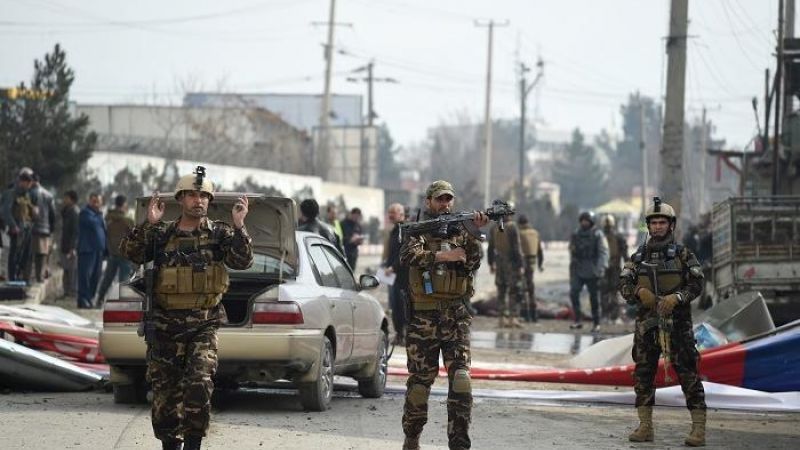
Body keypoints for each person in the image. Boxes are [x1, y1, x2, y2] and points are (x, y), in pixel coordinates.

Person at [119, 167, 253, 450]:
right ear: (180, 199)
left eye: (203, 196)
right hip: (164, 327)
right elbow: (131, 253)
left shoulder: (220, 233)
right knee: (165, 394)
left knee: (199, 384)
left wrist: (240, 226)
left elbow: (242, 261)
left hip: (203, 326)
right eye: (192, 195)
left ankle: (193, 445)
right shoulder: (161, 233)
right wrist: (148, 223)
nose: (198, 200)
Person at [400, 180, 488, 450]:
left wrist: (474, 233)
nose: (445, 204)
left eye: (448, 199)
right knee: (420, 384)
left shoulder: (461, 230)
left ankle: (459, 444)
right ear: (428, 201)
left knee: (461, 380)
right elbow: (408, 256)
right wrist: (443, 256)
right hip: (423, 320)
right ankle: (412, 437)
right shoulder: (418, 230)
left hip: (456, 317)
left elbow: (473, 262)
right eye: (439, 199)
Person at [618, 197, 706, 447]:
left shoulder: (684, 254)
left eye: (662, 222)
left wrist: (677, 297)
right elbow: (624, 284)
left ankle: (698, 428)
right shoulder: (637, 257)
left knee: (688, 373)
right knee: (643, 374)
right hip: (647, 325)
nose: (657, 227)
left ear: (671, 225)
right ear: (648, 226)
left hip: (678, 324)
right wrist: (638, 292)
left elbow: (697, 284)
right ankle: (645, 426)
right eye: (654, 223)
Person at [568, 210, 609, 332]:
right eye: (582, 221)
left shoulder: (597, 235)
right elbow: (572, 250)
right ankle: (577, 320)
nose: (584, 223)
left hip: (593, 269)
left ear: (591, 222)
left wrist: (601, 268)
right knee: (574, 293)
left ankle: (596, 323)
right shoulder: (576, 234)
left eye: (586, 221)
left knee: (594, 298)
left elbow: (603, 252)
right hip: (579, 268)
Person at [95, 194, 134, 308]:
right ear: (124, 205)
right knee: (124, 281)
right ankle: (123, 305)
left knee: (107, 279)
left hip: (112, 253)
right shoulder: (128, 221)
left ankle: (99, 300)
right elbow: (134, 236)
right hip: (125, 254)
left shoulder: (108, 218)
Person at [487, 214, 524, 328]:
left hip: (499, 262)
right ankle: (513, 318)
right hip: (511, 263)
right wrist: (520, 265)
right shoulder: (512, 227)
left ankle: (501, 319)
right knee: (514, 290)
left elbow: (490, 248)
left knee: (501, 290)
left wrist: (491, 263)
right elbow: (517, 247)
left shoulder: (494, 227)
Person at [1, 168, 36, 282]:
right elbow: (5, 211)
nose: (29, 186)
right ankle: (12, 277)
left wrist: (34, 212)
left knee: (25, 255)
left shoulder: (26, 195)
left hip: (26, 228)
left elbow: (29, 211)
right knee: (14, 253)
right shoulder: (11, 193)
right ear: (22, 182)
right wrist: (13, 225)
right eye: (28, 183)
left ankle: (19, 275)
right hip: (16, 228)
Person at [382, 202, 407, 345]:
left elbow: (404, 254)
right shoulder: (394, 230)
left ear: (401, 214)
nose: (390, 215)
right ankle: (399, 334)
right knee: (394, 306)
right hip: (391, 275)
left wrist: (393, 267)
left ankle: (404, 335)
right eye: (389, 212)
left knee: (401, 306)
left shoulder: (404, 230)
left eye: (393, 212)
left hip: (401, 276)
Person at [77, 193, 106, 308]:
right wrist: (99, 214)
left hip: (98, 250)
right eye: (94, 201)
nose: (96, 204)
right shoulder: (85, 213)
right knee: (85, 276)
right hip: (87, 250)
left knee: (96, 276)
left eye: (98, 202)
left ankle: (90, 298)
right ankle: (83, 299)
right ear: (89, 201)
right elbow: (93, 223)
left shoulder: (99, 215)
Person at [600, 214, 628, 323]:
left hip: (612, 268)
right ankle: (611, 315)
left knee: (609, 292)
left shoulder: (602, 236)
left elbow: (624, 253)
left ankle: (610, 315)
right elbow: (625, 254)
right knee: (610, 292)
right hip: (608, 268)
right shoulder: (601, 237)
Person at [29, 173, 56, 283]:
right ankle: (40, 275)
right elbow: (53, 214)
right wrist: (51, 228)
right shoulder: (49, 195)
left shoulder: (30, 193)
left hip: (34, 227)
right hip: (46, 228)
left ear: (32, 181)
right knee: (43, 253)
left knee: (33, 253)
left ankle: (32, 276)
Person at [517, 214, 544, 322]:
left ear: (520, 224)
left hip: (522, 261)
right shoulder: (535, 233)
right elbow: (540, 251)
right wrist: (540, 264)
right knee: (531, 287)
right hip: (532, 262)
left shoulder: (519, 234)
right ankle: (534, 313)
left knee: (523, 288)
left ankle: (526, 313)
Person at [59, 190, 80, 298]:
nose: (64, 200)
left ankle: (72, 292)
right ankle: (66, 291)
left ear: (72, 199)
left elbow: (76, 232)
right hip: (65, 245)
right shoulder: (67, 211)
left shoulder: (75, 212)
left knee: (72, 270)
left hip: (71, 247)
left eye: (66, 198)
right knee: (66, 269)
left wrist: (73, 247)